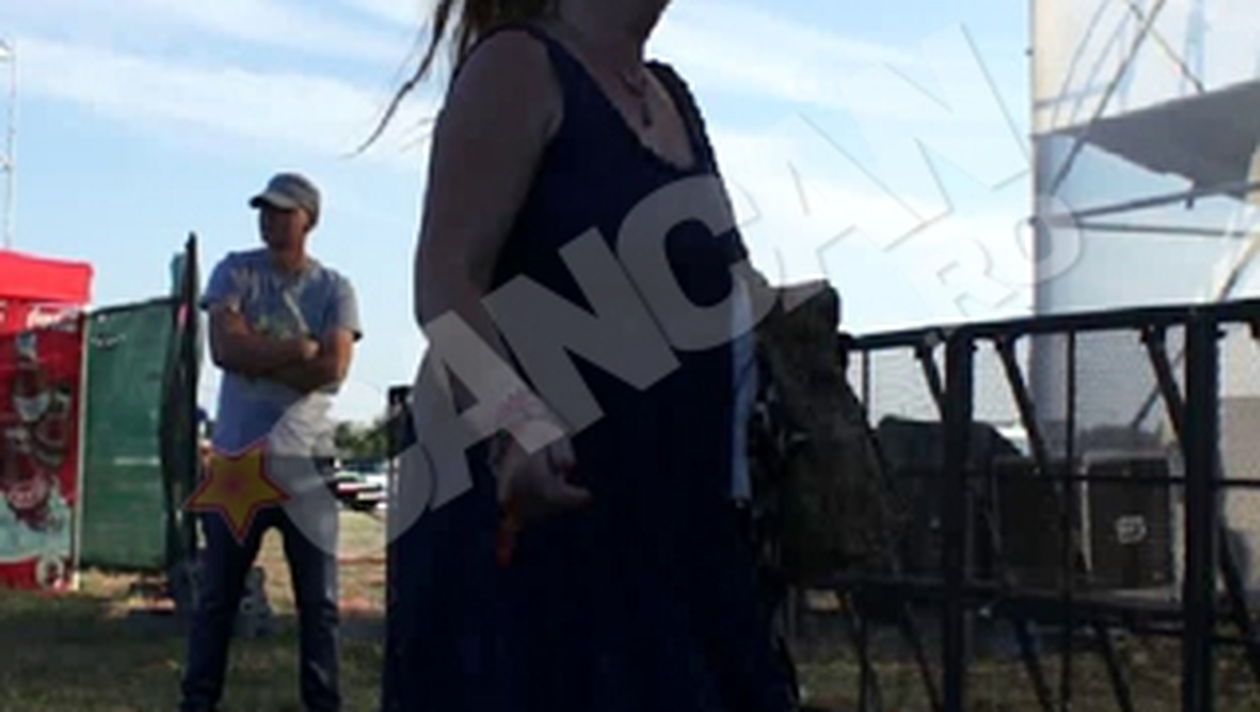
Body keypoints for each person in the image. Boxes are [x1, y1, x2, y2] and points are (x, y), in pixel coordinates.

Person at [371, 1, 797, 710]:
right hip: (538, 532)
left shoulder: (672, 97)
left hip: (674, 526)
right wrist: (517, 423)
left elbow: (712, 284)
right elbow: (445, 283)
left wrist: (786, 327)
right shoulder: (517, 66)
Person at [179, 172, 362, 712]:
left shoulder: (335, 288)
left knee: (319, 603)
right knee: (218, 597)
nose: (269, 219)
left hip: (307, 462)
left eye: (282, 211)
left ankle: (322, 703)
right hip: (239, 459)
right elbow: (225, 350)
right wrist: (298, 351)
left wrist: (260, 356)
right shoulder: (235, 271)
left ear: (308, 219)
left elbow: (333, 369)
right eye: (265, 209)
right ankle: (198, 701)